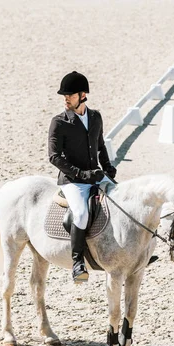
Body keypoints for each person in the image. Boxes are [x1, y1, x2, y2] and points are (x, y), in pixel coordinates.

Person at [48, 71, 117, 284]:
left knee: (121, 201)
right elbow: (54, 157)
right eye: (64, 96)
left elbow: (100, 145)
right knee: (80, 214)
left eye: (70, 95)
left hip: (96, 175)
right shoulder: (59, 122)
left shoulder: (95, 117)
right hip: (73, 181)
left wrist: (107, 167)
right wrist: (81, 174)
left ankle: (133, 253)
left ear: (82, 94)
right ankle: (78, 262)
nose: (66, 99)